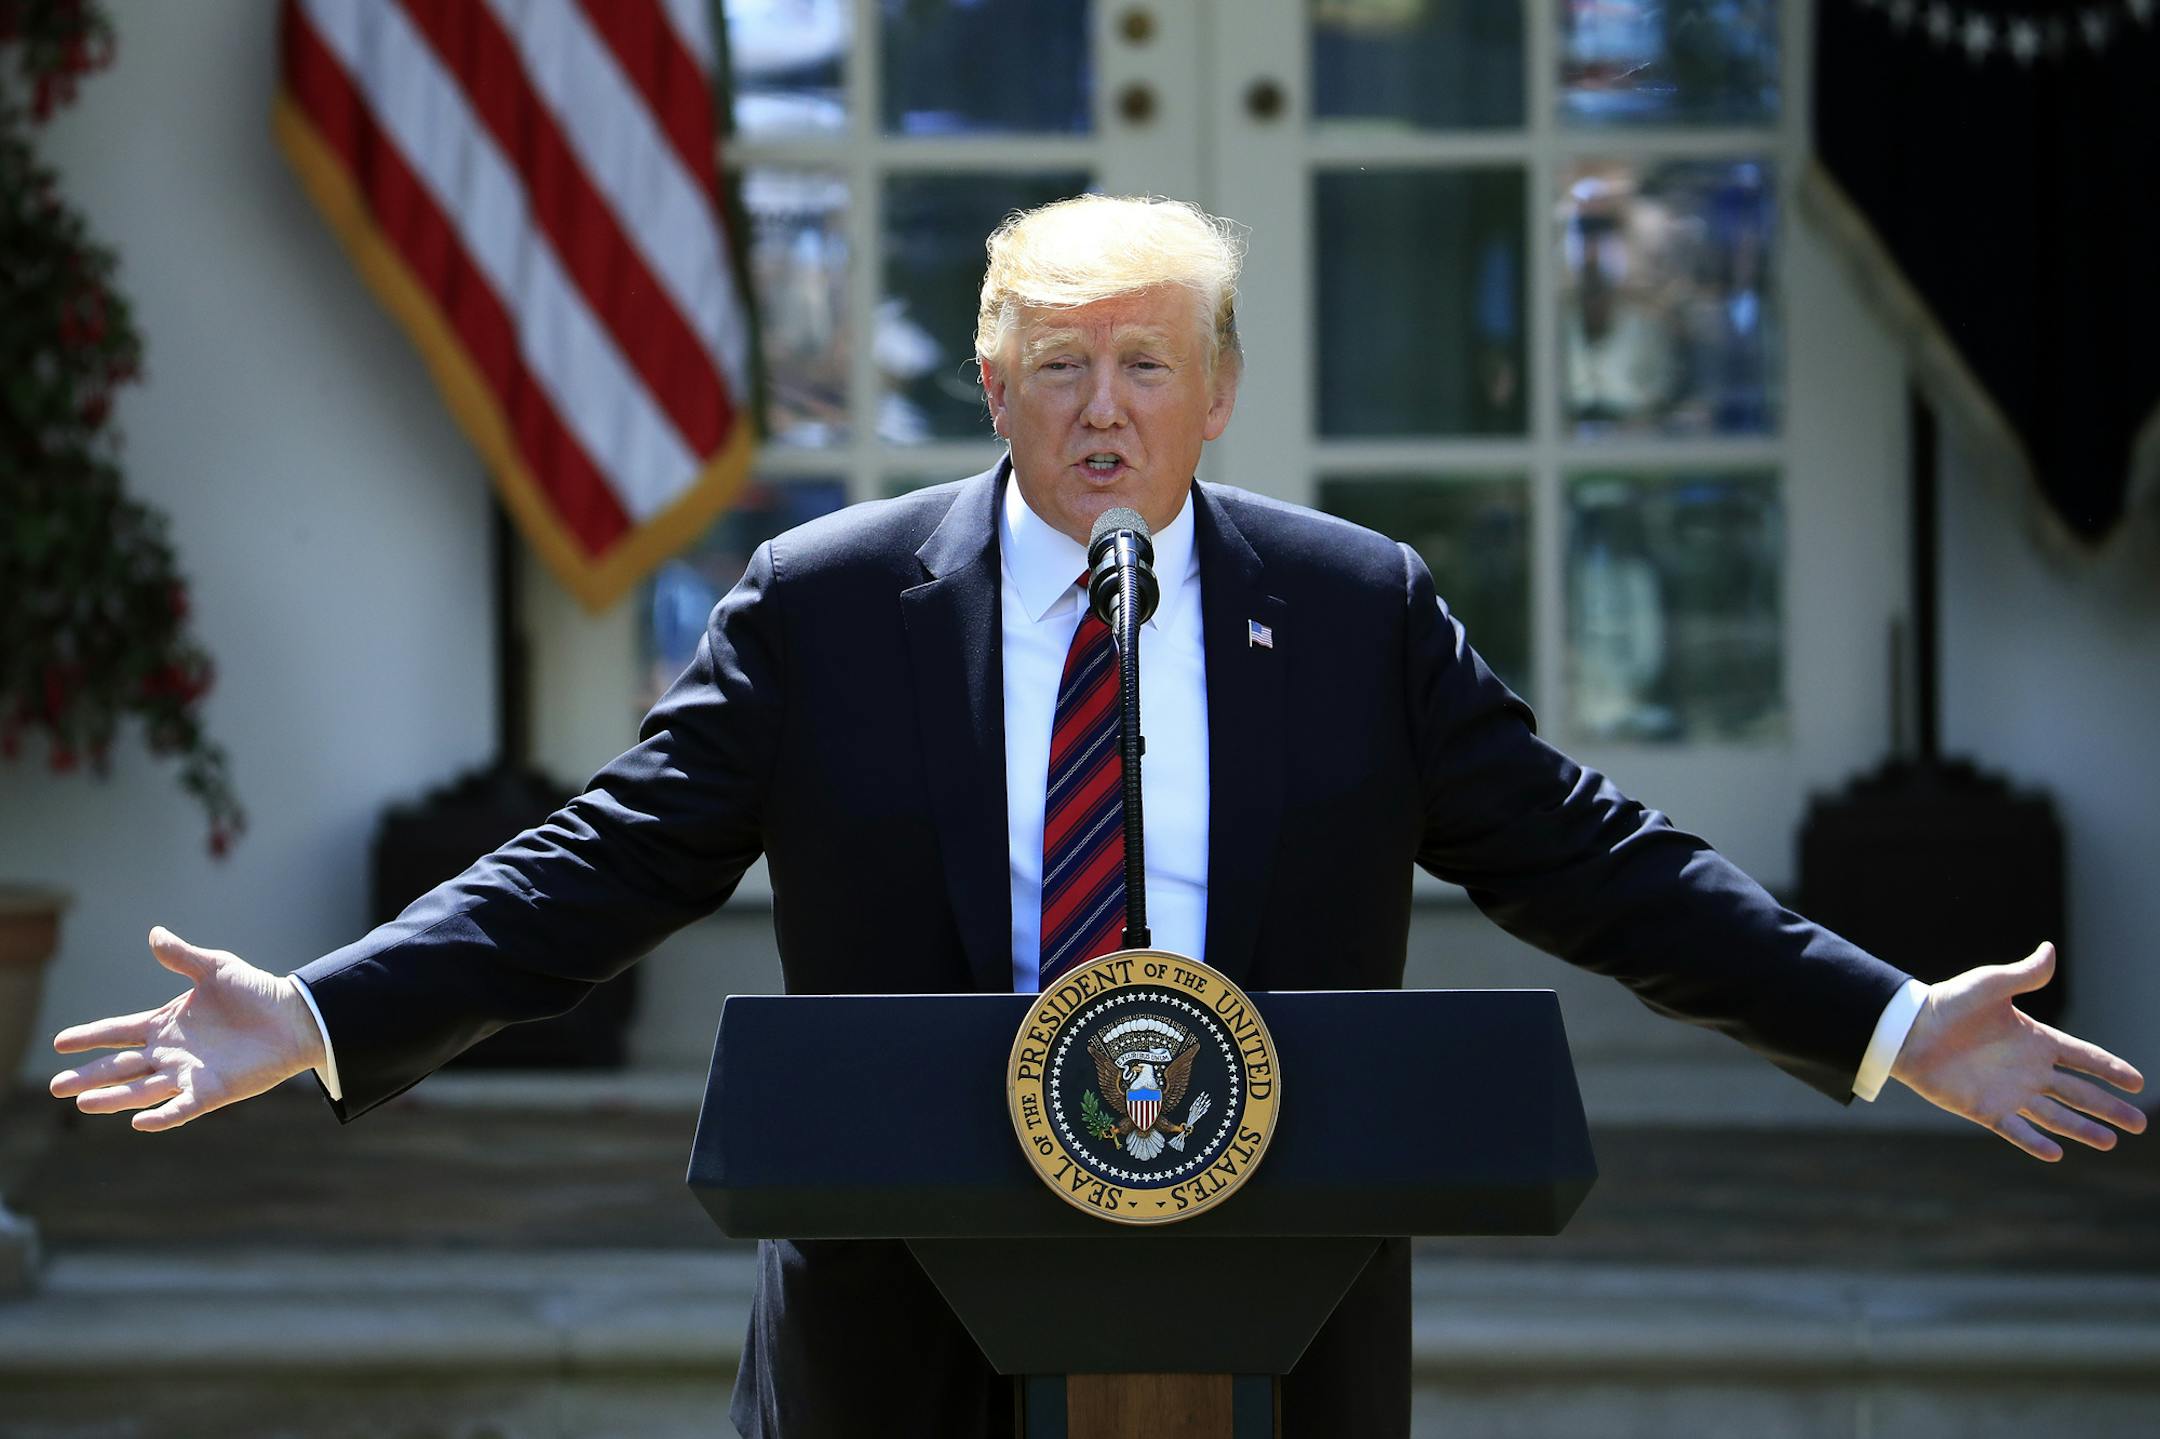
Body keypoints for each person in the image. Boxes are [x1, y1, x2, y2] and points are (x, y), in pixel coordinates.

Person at [50, 196, 2146, 1438]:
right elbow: (610, 859)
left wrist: (1885, 1024)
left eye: (1146, 365)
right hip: (900, 1299)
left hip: (1275, 1278)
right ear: (995, 387)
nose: (1104, 411)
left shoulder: (1350, 608)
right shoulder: (835, 604)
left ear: (1221, 390)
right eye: (1058, 367)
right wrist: (322, 1014)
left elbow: (1587, 852)